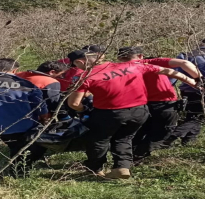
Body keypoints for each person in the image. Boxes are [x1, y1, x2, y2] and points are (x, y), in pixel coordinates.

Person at [67, 49, 198, 179]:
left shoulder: (85, 77)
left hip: (109, 113)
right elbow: (169, 71)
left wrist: (83, 109)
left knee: (99, 140)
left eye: (76, 65)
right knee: (124, 138)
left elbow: (74, 103)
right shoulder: (132, 65)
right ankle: (122, 167)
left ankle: (95, 169)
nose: (77, 68)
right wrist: (195, 82)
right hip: (139, 111)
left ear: (80, 62)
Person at [117, 46, 202, 162]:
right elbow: (183, 63)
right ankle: (137, 156)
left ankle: (125, 160)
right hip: (164, 104)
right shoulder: (148, 63)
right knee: (162, 133)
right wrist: (198, 80)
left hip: (138, 106)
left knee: (138, 132)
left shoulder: (115, 69)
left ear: (119, 58)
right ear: (141, 56)